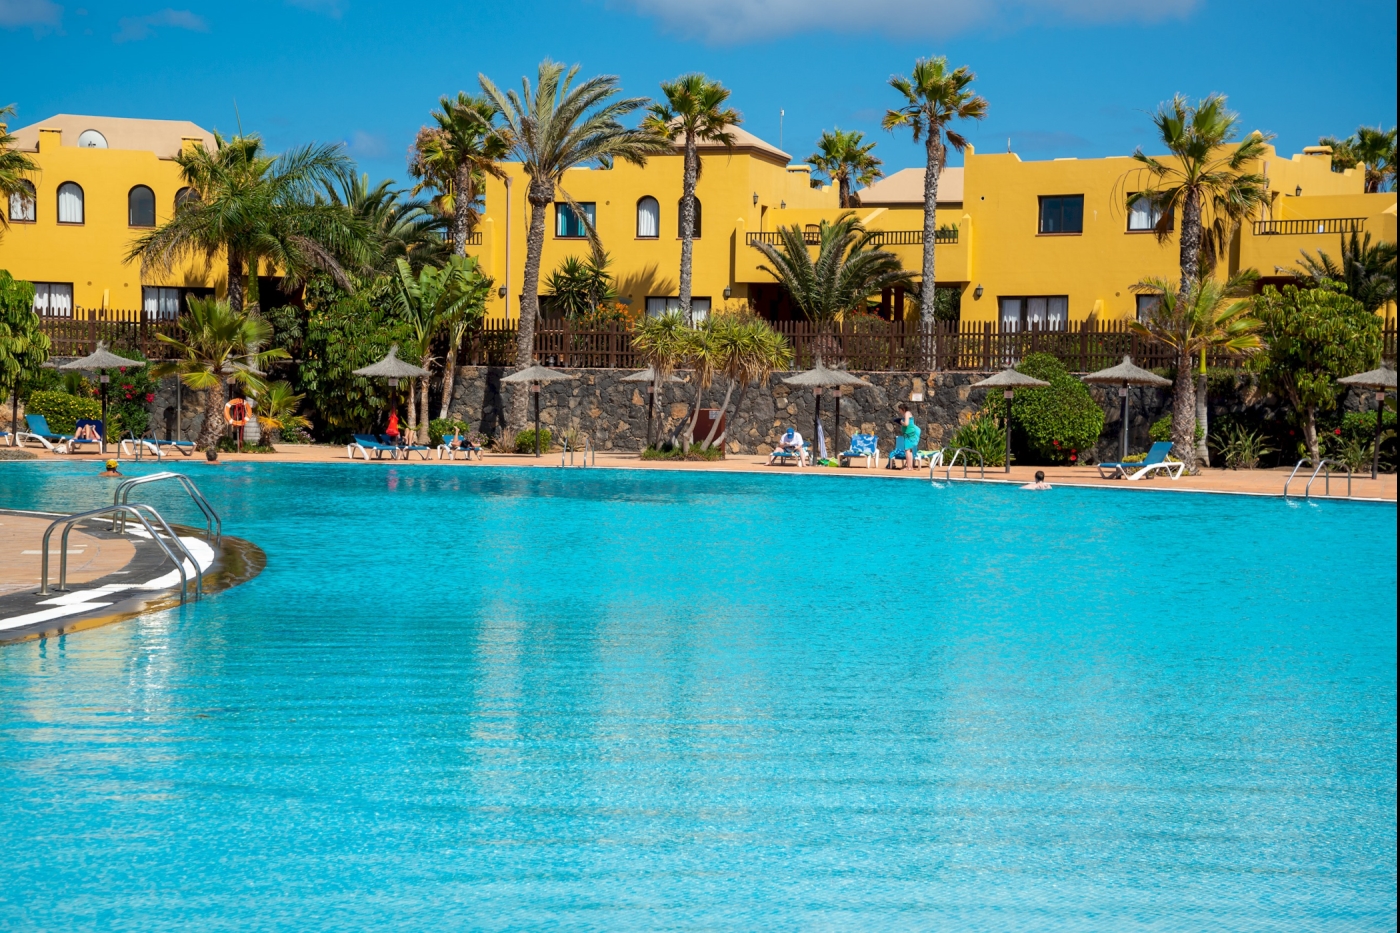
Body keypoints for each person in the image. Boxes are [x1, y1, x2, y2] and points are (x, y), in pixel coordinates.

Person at [895, 403, 920, 470]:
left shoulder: (907, 413)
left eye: (900, 410)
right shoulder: (907, 414)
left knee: (907, 451)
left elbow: (906, 424)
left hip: (909, 435)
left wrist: (901, 422)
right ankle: (910, 467)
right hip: (908, 434)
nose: (899, 411)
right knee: (909, 450)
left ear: (903, 409)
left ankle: (909, 467)